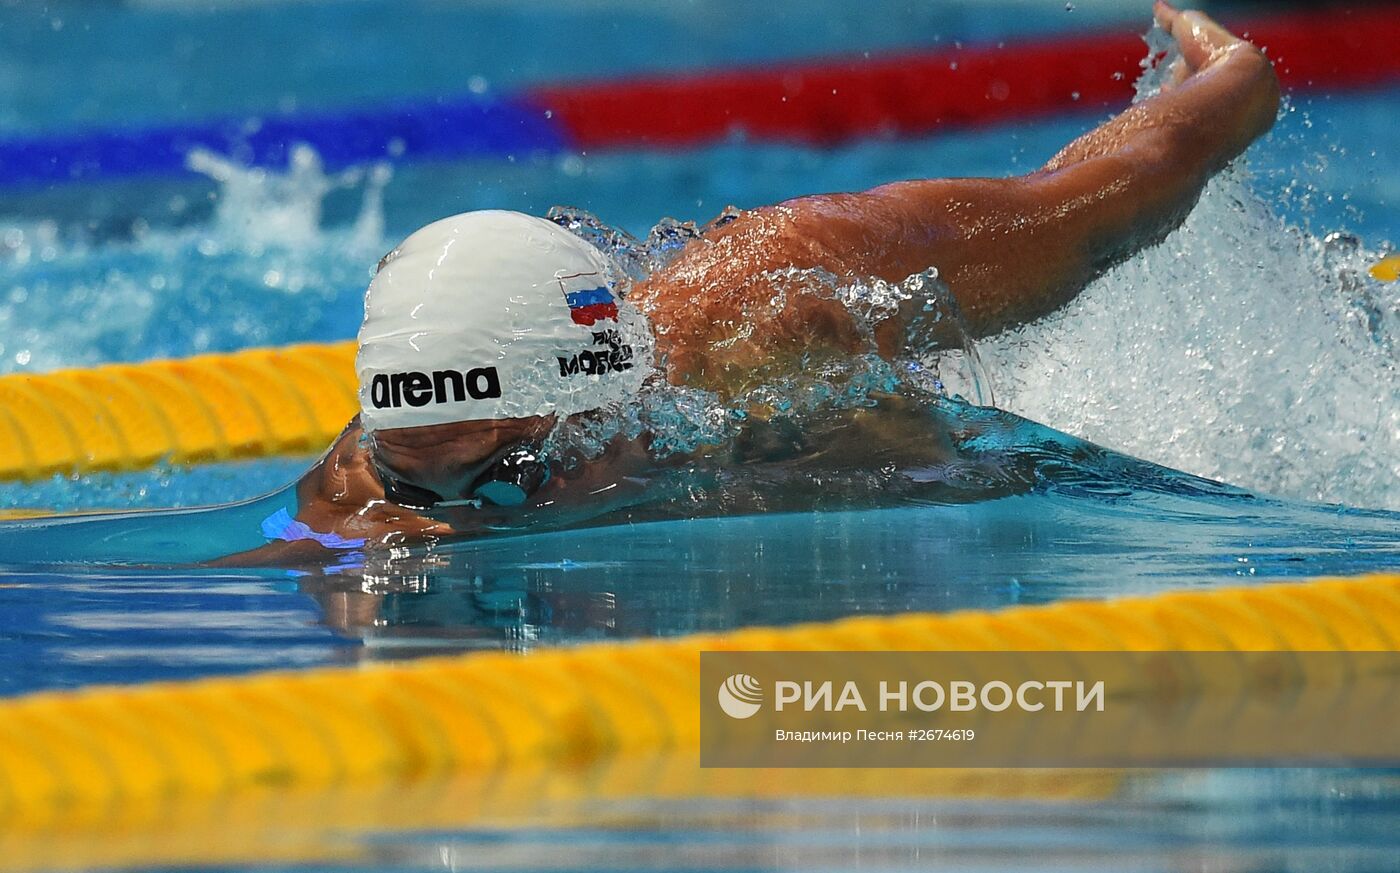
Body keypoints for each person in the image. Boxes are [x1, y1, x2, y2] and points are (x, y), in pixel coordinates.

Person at [207, 2, 1282, 566]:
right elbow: (226, 568)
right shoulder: (393, 449)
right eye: (414, 463)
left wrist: (1232, 80)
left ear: (589, 393)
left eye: (490, 461)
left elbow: (1113, 193)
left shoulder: (782, 305)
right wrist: (332, 550)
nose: (442, 488)